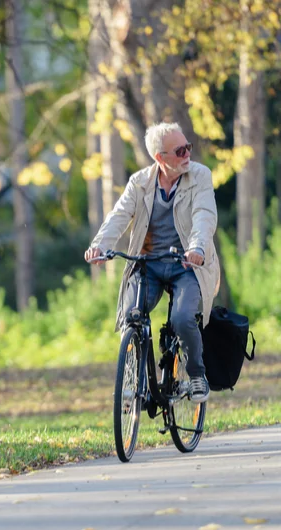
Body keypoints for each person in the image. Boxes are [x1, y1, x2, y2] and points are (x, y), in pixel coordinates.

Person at [85, 122, 220, 403]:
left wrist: (196, 248)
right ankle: (134, 374)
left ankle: (196, 375)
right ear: (160, 158)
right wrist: (100, 245)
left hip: (186, 264)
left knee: (183, 319)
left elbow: (204, 215)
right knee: (130, 314)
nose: (187, 154)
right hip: (149, 264)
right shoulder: (140, 182)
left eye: (188, 147)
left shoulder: (199, 176)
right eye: (180, 150)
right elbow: (119, 216)